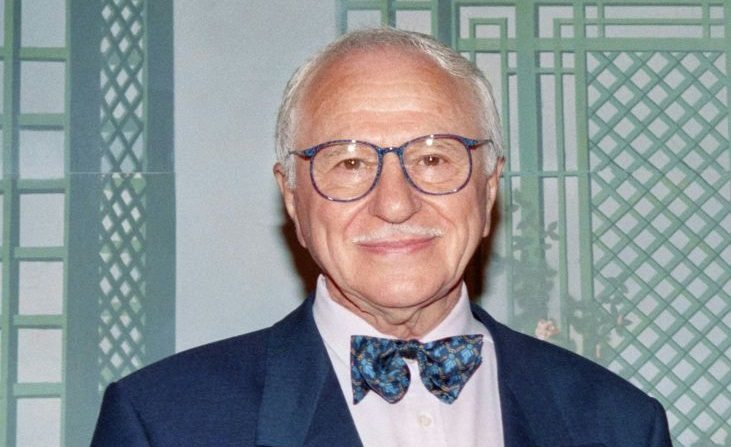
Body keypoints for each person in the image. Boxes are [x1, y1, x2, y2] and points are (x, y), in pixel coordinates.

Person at [92, 28, 672, 447]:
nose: (395, 202)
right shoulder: (163, 422)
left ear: (490, 188)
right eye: (348, 163)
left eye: (434, 157)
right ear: (293, 196)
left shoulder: (620, 424)